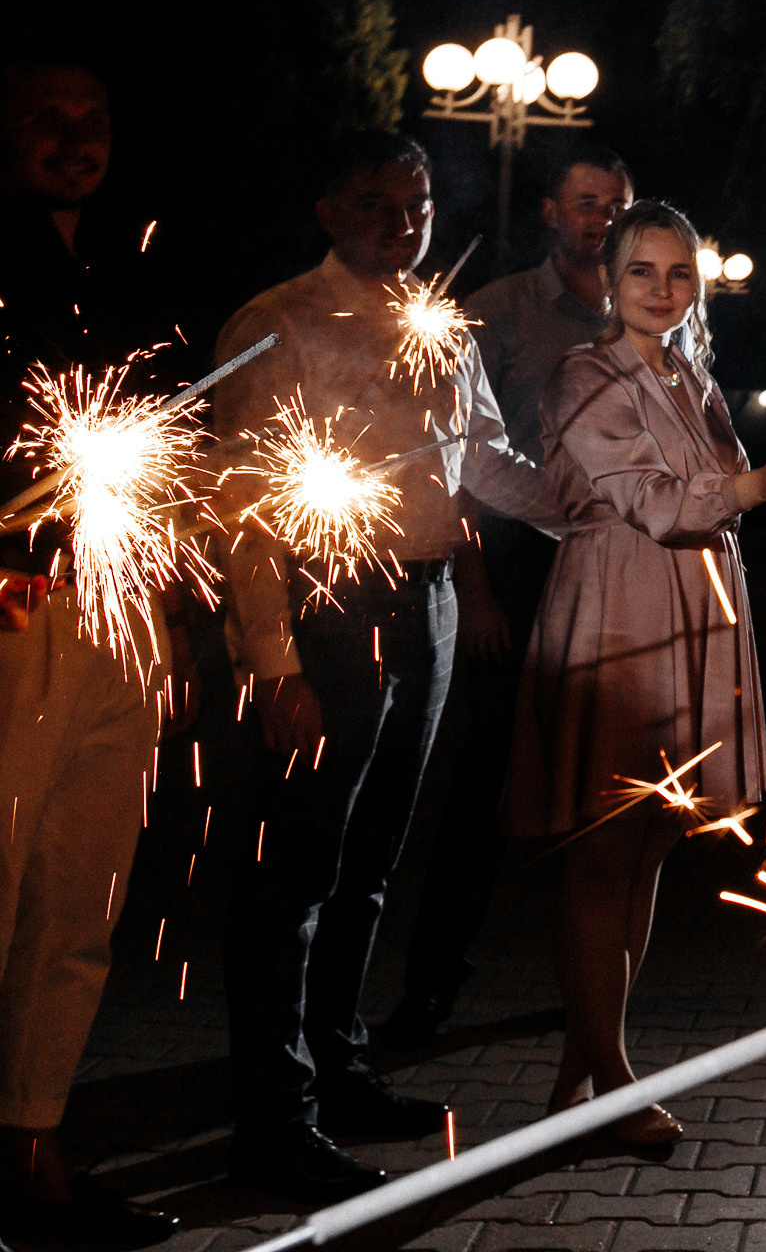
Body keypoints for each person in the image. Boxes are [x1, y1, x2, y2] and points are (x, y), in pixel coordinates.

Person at [214, 133, 560, 1201]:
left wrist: (603, 502)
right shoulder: (277, 324)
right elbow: (242, 508)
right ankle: (275, 1119)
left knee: (369, 862)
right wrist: (273, 666)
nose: (401, 222)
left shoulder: (439, 322)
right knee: (297, 873)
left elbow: (484, 459)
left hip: (429, 601)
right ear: (328, 210)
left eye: (413, 203)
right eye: (375, 204)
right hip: (327, 606)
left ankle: (341, 1070)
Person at [501, 200, 766, 1144]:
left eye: (681, 275)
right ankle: (611, 1082)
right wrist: (753, 488)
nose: (663, 290)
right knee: (605, 847)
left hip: (693, 605)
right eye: (644, 271)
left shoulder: (691, 375)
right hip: (622, 606)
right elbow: (649, 500)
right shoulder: (584, 374)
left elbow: (709, 489)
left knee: (644, 850)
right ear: (609, 274)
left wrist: (755, 489)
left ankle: (578, 1081)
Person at [383, 143, 634, 1047]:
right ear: (550, 212)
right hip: (515, 566)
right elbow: (458, 460)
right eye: (583, 201)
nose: (597, 217)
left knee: (600, 784)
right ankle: (431, 983)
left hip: (614, 571)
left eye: (613, 202)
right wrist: (476, 588)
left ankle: (591, 983)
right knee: (484, 786)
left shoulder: (650, 312)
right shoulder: (493, 313)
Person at [0, 52, 181, 1246]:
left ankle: (35, 1147)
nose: (76, 138)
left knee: (82, 892)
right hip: (12, 614)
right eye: (47, 120)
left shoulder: (129, 260)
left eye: (95, 119)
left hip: (122, 608)